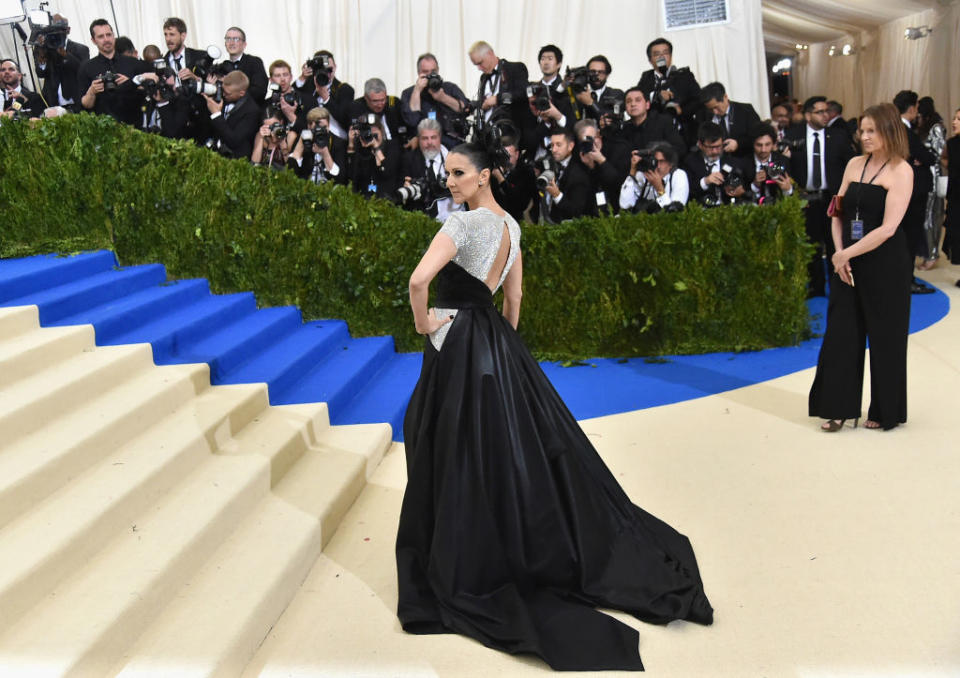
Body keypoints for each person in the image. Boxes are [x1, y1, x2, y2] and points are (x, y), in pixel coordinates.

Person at [397, 129, 713, 672]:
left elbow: (418, 280)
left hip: (457, 341)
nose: (448, 180)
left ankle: (464, 550)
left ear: (483, 175)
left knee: (451, 443)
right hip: (496, 343)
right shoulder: (512, 227)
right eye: (447, 173)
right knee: (501, 449)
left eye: (457, 173)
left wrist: (426, 324)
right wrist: (504, 348)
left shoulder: (462, 222)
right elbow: (514, 297)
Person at [809, 103, 914, 432]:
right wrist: (838, 252)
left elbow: (888, 229)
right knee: (841, 335)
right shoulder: (854, 164)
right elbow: (836, 211)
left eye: (872, 131)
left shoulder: (902, 171)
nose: (865, 137)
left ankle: (886, 410)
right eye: (863, 131)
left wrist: (845, 254)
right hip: (847, 263)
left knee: (887, 337)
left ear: (889, 131)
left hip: (886, 264)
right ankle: (837, 409)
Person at [784, 96, 855, 297]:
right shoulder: (793, 135)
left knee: (835, 242)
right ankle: (816, 285)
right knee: (811, 244)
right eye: (820, 112)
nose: (826, 115)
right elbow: (786, 165)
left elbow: (851, 164)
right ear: (807, 115)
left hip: (834, 198)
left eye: (827, 111)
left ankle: (838, 284)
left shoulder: (838, 136)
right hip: (806, 198)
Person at [893, 89, 938, 293]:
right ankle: (906, 280)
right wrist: (922, 159)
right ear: (911, 109)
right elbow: (928, 157)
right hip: (912, 193)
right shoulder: (905, 131)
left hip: (904, 191)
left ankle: (903, 277)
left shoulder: (894, 129)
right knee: (909, 237)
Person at [78, 19, 151, 126]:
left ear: (114, 36)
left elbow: (150, 90)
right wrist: (92, 91)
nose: (106, 39)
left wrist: (131, 83)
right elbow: (85, 105)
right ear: (93, 40)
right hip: (104, 130)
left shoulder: (133, 63)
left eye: (109, 35)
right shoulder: (86, 68)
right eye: (101, 36)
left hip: (135, 129)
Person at [400, 53, 471, 150]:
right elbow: (412, 120)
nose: (430, 75)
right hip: (423, 144)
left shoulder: (450, 88)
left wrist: (443, 98)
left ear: (438, 70)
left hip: (451, 143)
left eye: (433, 71)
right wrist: (417, 91)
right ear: (418, 73)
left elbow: (465, 109)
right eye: (426, 72)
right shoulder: (409, 93)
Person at [637, 37, 701, 146]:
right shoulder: (646, 77)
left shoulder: (684, 76)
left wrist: (681, 110)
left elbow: (698, 100)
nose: (662, 57)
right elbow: (639, 97)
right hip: (655, 133)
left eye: (665, 53)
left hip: (682, 131)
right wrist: (656, 95)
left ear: (671, 56)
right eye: (657, 54)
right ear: (650, 60)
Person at [32, 13, 89, 114]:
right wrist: (42, 57)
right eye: (52, 30)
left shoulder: (81, 49)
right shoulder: (44, 49)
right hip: (53, 104)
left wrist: (65, 54)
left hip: (76, 103)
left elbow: (83, 71)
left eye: (60, 29)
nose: (56, 33)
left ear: (68, 30)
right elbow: (40, 74)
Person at [915, 96, 947, 270]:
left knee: (931, 215)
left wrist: (924, 158)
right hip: (922, 174)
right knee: (924, 215)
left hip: (932, 174)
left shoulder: (936, 127)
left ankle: (932, 254)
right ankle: (927, 252)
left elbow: (939, 152)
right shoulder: (922, 125)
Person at [620, 142, 689, 212]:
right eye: (655, 161)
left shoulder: (678, 175)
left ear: (670, 163)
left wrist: (660, 189)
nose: (658, 166)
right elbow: (625, 205)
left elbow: (675, 212)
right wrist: (632, 171)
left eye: (661, 161)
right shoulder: (644, 175)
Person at [698, 81, 761, 158]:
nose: (715, 112)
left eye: (716, 107)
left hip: (743, 159)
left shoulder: (746, 111)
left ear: (725, 97)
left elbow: (758, 136)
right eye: (710, 109)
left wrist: (738, 144)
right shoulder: (703, 116)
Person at [220, 27, 268, 105]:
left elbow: (259, 91)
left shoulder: (254, 62)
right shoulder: (222, 66)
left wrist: (234, 94)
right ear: (225, 44)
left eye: (236, 39)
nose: (231, 43)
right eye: (228, 39)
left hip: (250, 112)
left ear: (244, 44)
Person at [942, 108, 960, 279]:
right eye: (954, 118)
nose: (954, 122)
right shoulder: (952, 143)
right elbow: (946, 160)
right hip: (955, 195)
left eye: (959, 119)